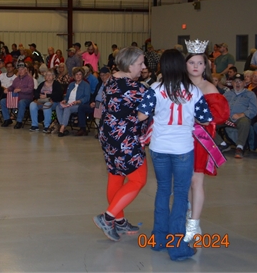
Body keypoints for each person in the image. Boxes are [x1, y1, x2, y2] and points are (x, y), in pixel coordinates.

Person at [137, 49, 213, 260]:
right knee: (180, 195)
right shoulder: (194, 91)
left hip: (159, 147)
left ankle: (158, 239)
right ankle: (177, 246)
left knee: (162, 190)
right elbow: (206, 119)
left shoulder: (155, 88)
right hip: (182, 149)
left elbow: (141, 116)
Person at [92, 47, 147, 242]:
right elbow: (152, 104)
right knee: (138, 179)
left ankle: (119, 220)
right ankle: (108, 218)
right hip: (124, 138)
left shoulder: (110, 80)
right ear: (130, 65)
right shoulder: (135, 88)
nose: (144, 67)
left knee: (116, 176)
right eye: (140, 63)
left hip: (108, 135)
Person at [184, 40, 230, 243]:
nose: (195, 66)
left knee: (196, 181)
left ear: (206, 66)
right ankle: (187, 214)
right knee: (183, 181)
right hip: (178, 138)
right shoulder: (179, 85)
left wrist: (197, 119)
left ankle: (194, 224)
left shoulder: (209, 87)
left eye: (200, 63)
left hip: (199, 139)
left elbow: (220, 115)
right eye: (191, 62)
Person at [55, 67, 90, 137]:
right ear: (74, 76)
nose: (78, 76)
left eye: (80, 74)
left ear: (82, 75)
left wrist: (78, 101)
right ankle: (63, 126)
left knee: (67, 109)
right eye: (76, 74)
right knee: (58, 107)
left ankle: (62, 128)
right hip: (68, 103)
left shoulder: (86, 85)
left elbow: (87, 97)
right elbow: (67, 96)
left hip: (78, 104)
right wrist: (65, 100)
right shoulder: (71, 84)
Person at [0, 65, 35, 129]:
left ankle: (19, 121)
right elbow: (12, 87)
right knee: (3, 101)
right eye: (19, 70)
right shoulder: (16, 79)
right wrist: (7, 89)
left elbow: (30, 90)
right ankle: (7, 119)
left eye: (22, 69)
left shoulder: (29, 79)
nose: (20, 71)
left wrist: (20, 90)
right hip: (15, 98)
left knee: (21, 102)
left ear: (25, 70)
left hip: (26, 98)